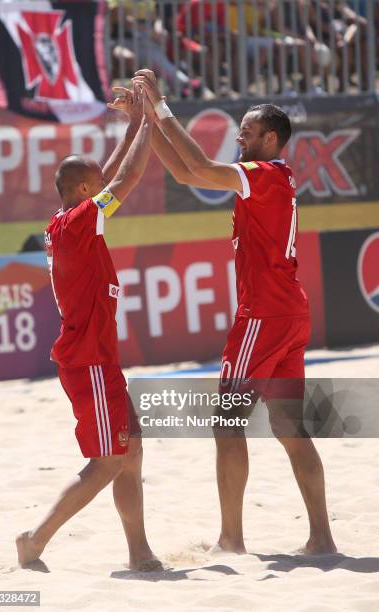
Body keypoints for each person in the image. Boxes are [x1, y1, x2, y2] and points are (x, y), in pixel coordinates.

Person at [132, 69, 337, 555]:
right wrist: (148, 121)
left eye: (245, 131)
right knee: (291, 429)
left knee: (226, 425)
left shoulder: (262, 175)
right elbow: (187, 173)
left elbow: (199, 166)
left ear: (271, 138)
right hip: (289, 313)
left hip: (263, 316)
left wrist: (160, 106)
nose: (238, 136)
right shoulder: (275, 177)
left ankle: (232, 540)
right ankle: (322, 538)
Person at [16, 85, 162, 572]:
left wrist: (133, 122)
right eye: (94, 185)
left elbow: (110, 173)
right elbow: (129, 176)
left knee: (132, 450)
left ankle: (139, 552)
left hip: (98, 356)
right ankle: (34, 540)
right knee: (110, 461)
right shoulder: (80, 222)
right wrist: (152, 119)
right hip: (90, 360)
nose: (101, 186)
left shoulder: (67, 217)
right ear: (83, 193)